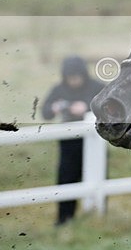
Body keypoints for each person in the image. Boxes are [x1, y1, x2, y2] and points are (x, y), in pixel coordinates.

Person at [41, 55, 104, 225]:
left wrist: (86, 108)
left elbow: (109, 106)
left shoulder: (97, 87)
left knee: (98, 177)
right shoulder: (59, 89)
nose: (73, 81)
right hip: (68, 142)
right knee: (66, 178)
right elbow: (45, 112)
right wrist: (54, 108)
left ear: (83, 74)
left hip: (95, 141)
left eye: (76, 77)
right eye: (70, 78)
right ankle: (64, 219)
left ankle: (96, 214)